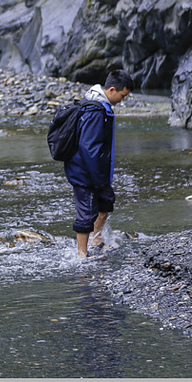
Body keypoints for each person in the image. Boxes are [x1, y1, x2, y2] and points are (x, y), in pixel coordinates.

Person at [63, 69, 135, 259]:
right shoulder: (95, 110)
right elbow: (89, 148)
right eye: (122, 95)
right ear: (112, 90)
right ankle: (81, 256)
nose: (122, 100)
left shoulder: (101, 107)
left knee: (106, 201)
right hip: (84, 171)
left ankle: (96, 240)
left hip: (95, 170)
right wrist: (98, 179)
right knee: (86, 212)